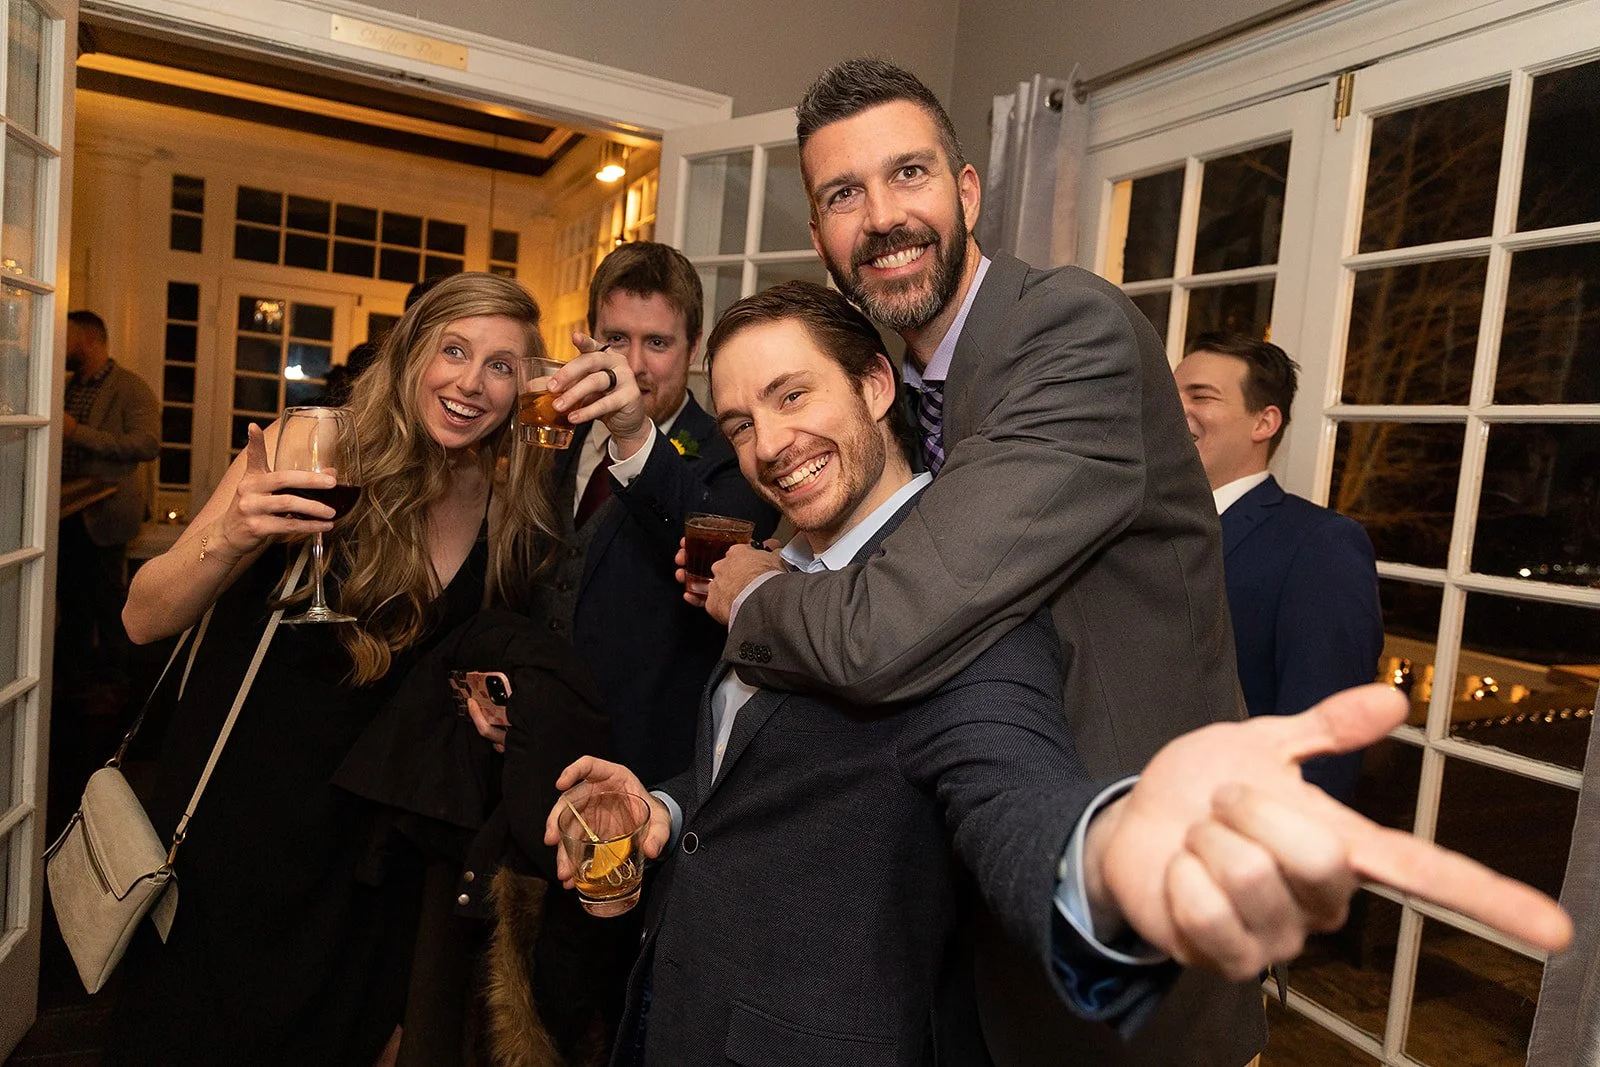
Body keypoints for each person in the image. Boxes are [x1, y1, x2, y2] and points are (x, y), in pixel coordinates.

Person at [547, 283, 1572, 1064]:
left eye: (791, 395)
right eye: (738, 423)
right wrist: (666, 809)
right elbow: (766, 773)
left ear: (874, 386)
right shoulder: (781, 562)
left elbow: (1010, 788)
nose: (769, 444)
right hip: (676, 1004)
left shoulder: (952, 596)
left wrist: (1109, 867)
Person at [695, 58, 1263, 1064]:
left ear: (966, 192)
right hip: (965, 955)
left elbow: (881, 630)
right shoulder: (908, 391)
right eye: (843, 194)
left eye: (907, 174)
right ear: (821, 237)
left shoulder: (1069, 333)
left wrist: (753, 593)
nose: (882, 217)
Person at [107, 273, 566, 1065]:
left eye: (500, 366)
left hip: (371, 860)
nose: (471, 383)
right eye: (454, 350)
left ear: (522, 388)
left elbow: (450, 667)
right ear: (412, 352)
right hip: (242, 830)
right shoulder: (312, 447)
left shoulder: (505, 510)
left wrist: (487, 700)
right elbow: (143, 616)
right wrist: (234, 533)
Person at [528, 242, 775, 785]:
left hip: (646, 771)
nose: (632, 366)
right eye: (616, 339)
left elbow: (717, 555)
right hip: (531, 751)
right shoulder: (555, 439)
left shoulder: (736, 452)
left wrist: (635, 437)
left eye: (657, 343)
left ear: (693, 349)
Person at [1175, 333, 1384, 801]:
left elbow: (1320, 743)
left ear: (1264, 422)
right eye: (1169, 394)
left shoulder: (1319, 546)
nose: (1173, 409)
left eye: (1200, 396)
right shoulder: (1138, 525)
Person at [56, 310, 158, 692]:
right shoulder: (68, 386)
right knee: (72, 601)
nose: (60, 343)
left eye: (66, 335)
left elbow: (147, 444)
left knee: (107, 599)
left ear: (88, 339)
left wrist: (76, 432)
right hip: (66, 510)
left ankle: (117, 684)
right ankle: (73, 686)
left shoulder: (130, 388)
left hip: (105, 513)